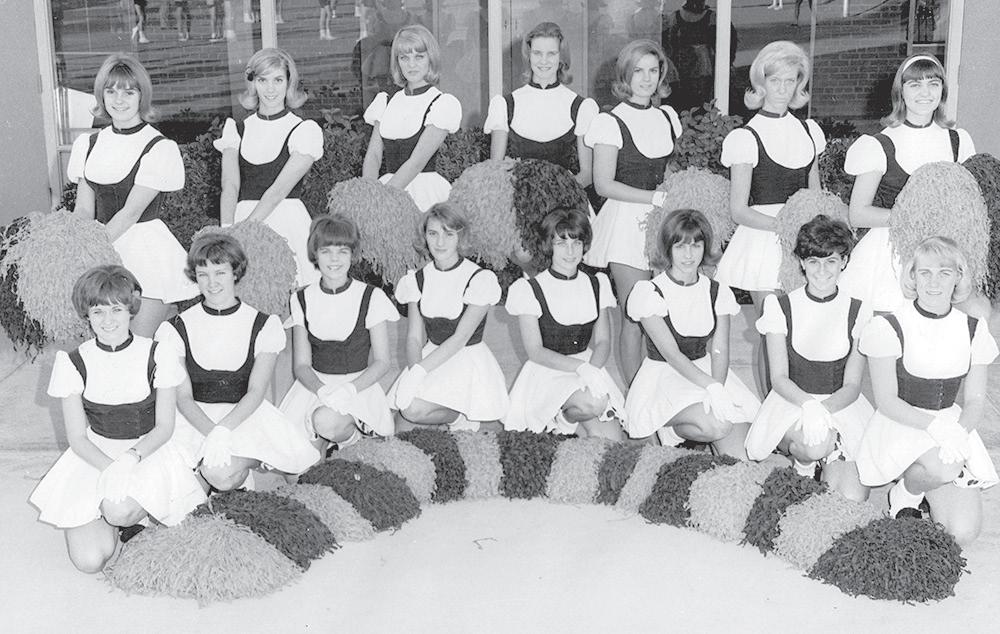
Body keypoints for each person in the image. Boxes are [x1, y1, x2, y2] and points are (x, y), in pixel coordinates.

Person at [29, 265, 205, 573]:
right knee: (89, 562)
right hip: (96, 454)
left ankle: (137, 517)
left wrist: (129, 461)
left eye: (116, 310)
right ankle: (113, 520)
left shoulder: (157, 354)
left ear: (130, 309)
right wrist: (111, 469)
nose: (107, 320)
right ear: (87, 314)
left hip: (148, 450)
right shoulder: (73, 362)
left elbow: (165, 427)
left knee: (120, 509)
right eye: (98, 311)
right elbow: (77, 438)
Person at [856, 237, 998, 545]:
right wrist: (935, 428)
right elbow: (887, 401)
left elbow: (975, 400)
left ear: (958, 276)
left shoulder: (973, 328)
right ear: (912, 276)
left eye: (944, 273)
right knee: (944, 465)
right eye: (925, 272)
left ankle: (916, 487)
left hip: (949, 426)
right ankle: (906, 494)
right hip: (901, 423)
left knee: (962, 532)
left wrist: (958, 432)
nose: (934, 282)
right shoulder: (889, 326)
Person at [156, 234, 320, 492]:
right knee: (191, 487)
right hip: (196, 420)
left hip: (245, 416)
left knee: (296, 476)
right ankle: (230, 474)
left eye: (220, 273)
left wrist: (224, 431)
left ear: (235, 272)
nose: (212, 283)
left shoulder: (263, 325)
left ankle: (254, 461)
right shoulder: (175, 328)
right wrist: (213, 434)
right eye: (203, 274)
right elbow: (184, 397)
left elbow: (256, 391)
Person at [715, 40, 825, 391]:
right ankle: (769, 408)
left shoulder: (809, 131)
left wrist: (814, 232)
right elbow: (738, 209)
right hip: (764, 242)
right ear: (760, 83)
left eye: (790, 80)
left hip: (803, 242)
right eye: (774, 80)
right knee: (772, 331)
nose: (782, 88)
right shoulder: (745, 137)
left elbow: (816, 194)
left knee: (800, 331)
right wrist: (785, 227)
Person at [68, 54, 197, 338]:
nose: (119, 100)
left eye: (129, 92)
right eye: (111, 91)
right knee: (108, 345)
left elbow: (130, 213)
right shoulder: (88, 144)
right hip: (102, 251)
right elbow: (83, 210)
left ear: (142, 96)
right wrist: (74, 251)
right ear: (101, 95)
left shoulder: (159, 146)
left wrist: (91, 252)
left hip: (146, 255)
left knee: (139, 345)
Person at [745, 216, 873, 500]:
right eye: (814, 261)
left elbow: (853, 385)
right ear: (802, 262)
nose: (822, 270)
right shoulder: (780, 306)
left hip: (841, 405)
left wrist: (824, 411)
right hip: (793, 402)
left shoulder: (858, 309)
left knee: (851, 499)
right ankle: (803, 467)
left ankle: (832, 454)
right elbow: (779, 378)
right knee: (813, 445)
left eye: (831, 261)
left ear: (844, 261)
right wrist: (808, 406)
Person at [839, 54, 976, 314]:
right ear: (900, 92)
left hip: (943, 257)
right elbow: (857, 214)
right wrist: (916, 219)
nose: (925, 93)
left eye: (933, 84)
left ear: (943, 91)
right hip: (889, 258)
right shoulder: (878, 144)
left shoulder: (959, 141)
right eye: (915, 85)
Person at [583, 39, 683, 385]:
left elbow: (668, 170)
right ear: (625, 75)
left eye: (653, 70)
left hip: (662, 222)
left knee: (664, 312)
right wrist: (653, 198)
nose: (646, 78)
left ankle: (658, 390)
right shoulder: (609, 121)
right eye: (638, 70)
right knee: (635, 315)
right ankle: (635, 395)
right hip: (625, 223)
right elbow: (603, 184)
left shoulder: (667, 117)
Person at [624, 209, 758, 458]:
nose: (688, 255)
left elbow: (719, 350)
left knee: (742, 458)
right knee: (717, 424)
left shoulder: (716, 291)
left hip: (705, 371)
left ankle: (693, 435)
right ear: (668, 248)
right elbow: (672, 355)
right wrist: (709, 386)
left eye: (696, 246)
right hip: (665, 377)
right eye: (680, 247)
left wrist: (717, 387)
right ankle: (670, 430)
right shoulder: (649, 292)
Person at [279, 216, 399, 453]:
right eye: (326, 251)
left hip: (358, 388)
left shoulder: (371, 296)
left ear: (352, 254)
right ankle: (329, 444)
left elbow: (383, 361)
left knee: (325, 421)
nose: (334, 259)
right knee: (299, 467)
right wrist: (320, 389)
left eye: (342, 251)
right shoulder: (301, 298)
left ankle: (354, 441)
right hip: (315, 388)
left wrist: (349, 390)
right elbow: (301, 365)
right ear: (315, 254)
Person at [503, 208, 624, 439]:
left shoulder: (597, 284)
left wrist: (591, 371)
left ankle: (567, 420)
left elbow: (603, 341)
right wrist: (579, 369)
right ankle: (562, 422)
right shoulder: (530, 289)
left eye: (576, 243)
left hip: (587, 367)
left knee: (612, 441)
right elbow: (535, 351)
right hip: (548, 371)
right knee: (593, 403)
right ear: (549, 245)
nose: (570, 251)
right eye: (561, 243)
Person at [391, 203, 510, 431]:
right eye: (433, 233)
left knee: (413, 410)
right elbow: (414, 337)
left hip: (467, 361)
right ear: (424, 236)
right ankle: (452, 417)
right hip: (431, 355)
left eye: (449, 234)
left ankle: (459, 417)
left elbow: (460, 338)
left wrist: (421, 372)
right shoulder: (417, 279)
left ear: (460, 237)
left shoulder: (479, 278)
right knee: (401, 426)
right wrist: (415, 372)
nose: (440, 242)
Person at [216, 47, 324, 288]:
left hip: (285, 222)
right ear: (253, 83)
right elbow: (230, 186)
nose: (270, 89)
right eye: (262, 80)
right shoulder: (236, 129)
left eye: (278, 80)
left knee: (294, 298)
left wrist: (245, 233)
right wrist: (227, 232)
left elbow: (277, 191)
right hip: (241, 220)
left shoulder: (304, 130)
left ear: (289, 83)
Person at [485, 22, 598, 188]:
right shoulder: (505, 105)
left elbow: (587, 174)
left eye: (551, 54)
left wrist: (554, 195)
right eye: (537, 53)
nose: (543, 61)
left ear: (561, 57)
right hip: (518, 198)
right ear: (528, 55)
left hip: (565, 198)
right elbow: (495, 170)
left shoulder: (581, 107)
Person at [362, 24, 461, 212]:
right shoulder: (385, 101)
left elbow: (416, 162)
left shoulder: (442, 103)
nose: (411, 64)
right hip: (385, 187)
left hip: (423, 193)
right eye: (404, 58)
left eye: (419, 57)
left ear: (431, 59)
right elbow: (374, 155)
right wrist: (369, 193)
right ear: (397, 62)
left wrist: (384, 199)